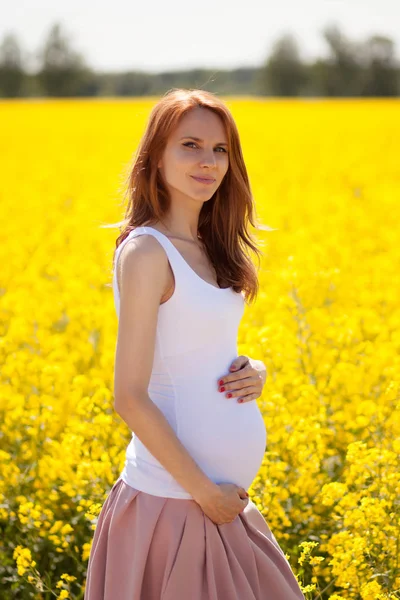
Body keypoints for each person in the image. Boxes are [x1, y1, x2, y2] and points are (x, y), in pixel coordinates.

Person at [84, 88, 305, 600]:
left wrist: (254, 368)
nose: (208, 162)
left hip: (219, 505)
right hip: (177, 502)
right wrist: (206, 494)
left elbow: (198, 346)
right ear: (155, 157)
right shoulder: (146, 251)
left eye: (220, 149)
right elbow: (129, 397)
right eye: (190, 145)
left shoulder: (211, 246)